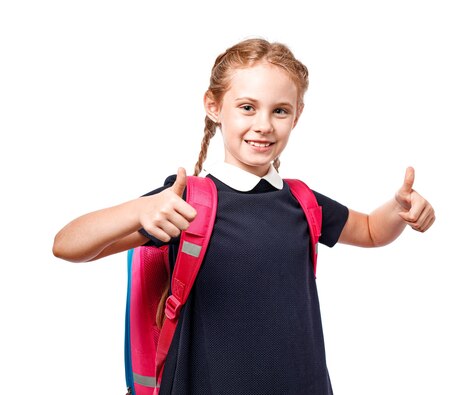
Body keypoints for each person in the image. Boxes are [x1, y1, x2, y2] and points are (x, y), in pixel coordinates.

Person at [53, 38, 435, 395]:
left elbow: (369, 230)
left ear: (297, 115)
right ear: (214, 106)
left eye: (280, 110)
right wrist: (137, 210)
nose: (264, 125)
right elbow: (68, 245)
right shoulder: (185, 202)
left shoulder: (302, 201)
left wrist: (399, 211)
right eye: (247, 107)